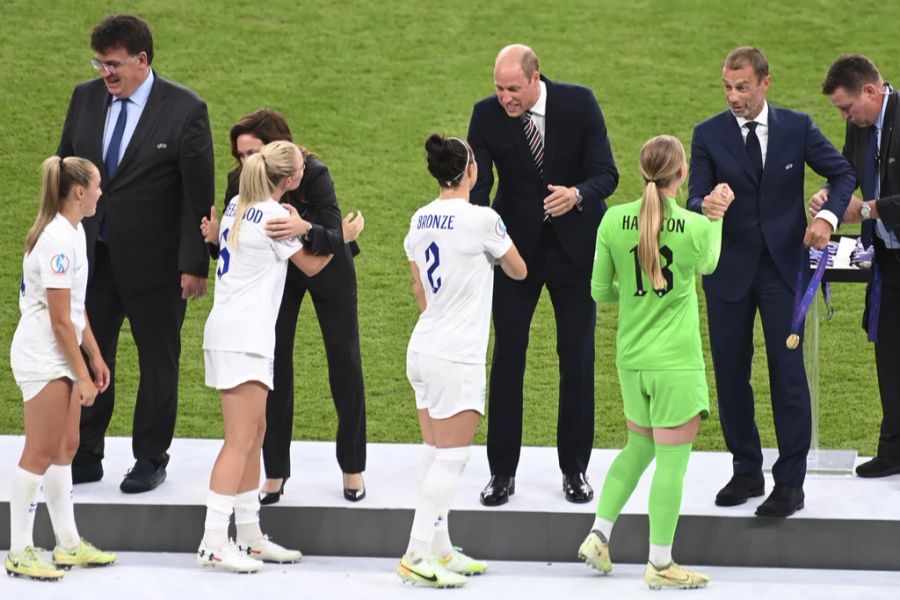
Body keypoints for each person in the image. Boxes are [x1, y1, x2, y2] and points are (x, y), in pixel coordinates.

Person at [688, 46, 856, 517]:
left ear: (766, 83)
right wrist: (706, 206)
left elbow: (843, 172)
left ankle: (790, 483)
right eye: (727, 86)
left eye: (742, 87)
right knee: (731, 375)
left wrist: (825, 215)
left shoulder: (797, 128)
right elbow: (693, 195)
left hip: (784, 272)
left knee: (787, 377)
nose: (733, 96)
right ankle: (746, 471)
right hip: (727, 275)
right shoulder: (707, 135)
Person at [57, 13, 215, 493]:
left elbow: (197, 192)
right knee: (90, 351)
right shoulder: (86, 98)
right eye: (100, 63)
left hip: (159, 266)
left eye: (114, 64)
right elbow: (64, 167)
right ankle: (86, 451)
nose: (105, 73)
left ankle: (150, 457)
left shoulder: (185, 108)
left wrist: (194, 264)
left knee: (158, 361)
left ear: (142, 61)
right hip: (93, 259)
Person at [467, 43, 619, 506]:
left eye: (513, 88)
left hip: (574, 252)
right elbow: (479, 188)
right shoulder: (486, 115)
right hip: (516, 254)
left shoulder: (580, 103)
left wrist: (577, 194)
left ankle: (574, 469)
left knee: (577, 356)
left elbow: (606, 174)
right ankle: (501, 473)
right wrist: (480, 231)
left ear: (536, 79)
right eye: (499, 88)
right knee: (508, 355)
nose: (505, 97)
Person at [579, 135, 727, 590]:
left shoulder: (611, 220)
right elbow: (712, 266)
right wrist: (716, 219)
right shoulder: (696, 227)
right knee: (671, 463)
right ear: (680, 176)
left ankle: (599, 534)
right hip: (675, 364)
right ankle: (660, 563)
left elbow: (599, 292)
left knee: (638, 448)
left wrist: (635, 294)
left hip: (632, 360)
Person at [397, 135, 526, 588]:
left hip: (424, 346)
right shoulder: (482, 219)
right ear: (471, 171)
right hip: (457, 355)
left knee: (434, 455)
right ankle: (415, 553)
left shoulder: (419, 218)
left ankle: (440, 549)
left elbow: (419, 289)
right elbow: (519, 269)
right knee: (452, 459)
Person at [220, 109, 367, 504]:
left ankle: (353, 468)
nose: (246, 162)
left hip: (327, 268)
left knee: (344, 362)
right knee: (275, 366)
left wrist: (306, 229)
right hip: (280, 273)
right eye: (240, 154)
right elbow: (232, 238)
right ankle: (275, 473)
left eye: (253, 151)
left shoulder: (313, 172)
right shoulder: (240, 182)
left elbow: (332, 231)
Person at [197, 141, 330, 573]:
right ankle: (214, 540)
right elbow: (312, 266)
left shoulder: (238, 203)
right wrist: (333, 234)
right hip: (244, 337)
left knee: (256, 432)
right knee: (240, 439)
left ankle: (250, 535)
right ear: (290, 181)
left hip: (236, 332)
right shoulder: (275, 216)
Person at [6, 156, 117, 581]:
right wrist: (83, 374)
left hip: (61, 351)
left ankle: (67, 543)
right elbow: (56, 318)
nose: (100, 193)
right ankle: (19, 550)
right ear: (78, 191)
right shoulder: (56, 238)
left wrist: (94, 354)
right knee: (39, 451)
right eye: (97, 186)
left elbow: (74, 306)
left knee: (66, 446)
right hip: (43, 354)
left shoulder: (72, 231)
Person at [811, 55, 900, 478]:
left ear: (871, 90)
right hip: (888, 260)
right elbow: (846, 171)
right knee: (890, 356)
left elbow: (868, 203)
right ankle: (893, 452)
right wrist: (828, 198)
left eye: (847, 108)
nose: (845, 116)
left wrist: (865, 208)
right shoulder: (860, 124)